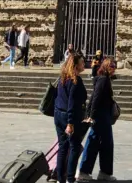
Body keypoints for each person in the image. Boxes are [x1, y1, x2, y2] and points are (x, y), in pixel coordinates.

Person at [78, 58, 116, 181]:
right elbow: (96, 97)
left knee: (106, 143)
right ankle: (84, 171)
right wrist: (91, 115)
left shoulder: (105, 78)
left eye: (114, 66)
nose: (114, 68)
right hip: (100, 116)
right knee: (94, 141)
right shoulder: (103, 79)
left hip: (103, 115)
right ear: (105, 67)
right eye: (111, 66)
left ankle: (104, 172)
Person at [53, 53, 87, 183]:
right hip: (69, 117)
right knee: (74, 147)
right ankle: (70, 178)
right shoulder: (75, 81)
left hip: (58, 114)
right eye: (82, 62)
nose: (84, 64)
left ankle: (60, 178)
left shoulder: (63, 78)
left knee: (63, 147)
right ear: (76, 65)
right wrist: (70, 122)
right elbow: (72, 102)